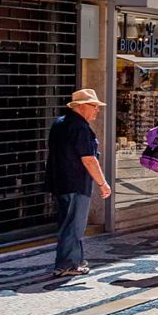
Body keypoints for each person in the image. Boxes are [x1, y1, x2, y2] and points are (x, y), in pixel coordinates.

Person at [45, 89, 111, 277]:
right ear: (81, 106)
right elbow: (89, 159)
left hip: (61, 181)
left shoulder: (60, 123)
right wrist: (103, 183)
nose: (97, 110)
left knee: (69, 222)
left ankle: (75, 260)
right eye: (94, 106)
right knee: (74, 224)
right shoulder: (80, 127)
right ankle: (67, 264)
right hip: (76, 182)